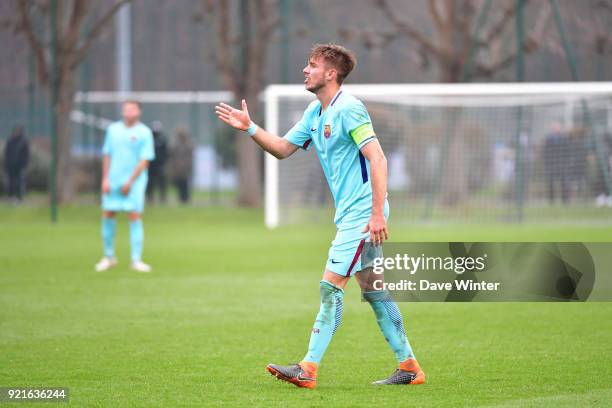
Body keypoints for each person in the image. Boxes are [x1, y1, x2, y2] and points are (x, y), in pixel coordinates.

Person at [215, 44, 424, 388]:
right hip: (353, 215)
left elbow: (378, 159)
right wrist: (251, 127)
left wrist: (376, 214)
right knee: (374, 291)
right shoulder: (316, 112)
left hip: (362, 214)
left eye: (311, 65)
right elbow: (282, 149)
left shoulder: (350, 109)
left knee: (331, 287)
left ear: (331, 73)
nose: (304, 70)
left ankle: (307, 368)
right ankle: (410, 367)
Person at [95, 100, 155, 273]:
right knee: (108, 213)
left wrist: (130, 181)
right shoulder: (113, 130)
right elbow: (107, 154)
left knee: (135, 216)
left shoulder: (144, 133)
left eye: (132, 109)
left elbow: (145, 160)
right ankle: (108, 257)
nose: (128, 112)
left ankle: (136, 260)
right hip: (113, 180)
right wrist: (105, 179)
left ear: (139, 112)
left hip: (134, 183)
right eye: (126, 109)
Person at [3, 125, 29, 202]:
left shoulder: (23, 141)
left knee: (20, 181)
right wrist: (7, 163)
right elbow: (7, 153)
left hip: (20, 166)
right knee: (11, 182)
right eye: (15, 131)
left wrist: (24, 163)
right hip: (10, 165)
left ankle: (20, 196)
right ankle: (11, 196)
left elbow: (26, 154)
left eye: (18, 131)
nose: (16, 132)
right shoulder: (10, 141)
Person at [146, 121, 168, 203]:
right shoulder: (149, 138)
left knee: (161, 182)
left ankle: (162, 198)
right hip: (151, 164)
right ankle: (149, 197)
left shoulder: (163, 138)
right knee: (150, 182)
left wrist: (163, 162)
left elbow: (165, 152)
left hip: (160, 165)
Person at [171, 126, 194, 204]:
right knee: (179, 183)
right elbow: (173, 156)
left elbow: (190, 157)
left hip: (185, 168)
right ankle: (181, 198)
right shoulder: (176, 145)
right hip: (177, 168)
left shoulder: (188, 145)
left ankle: (185, 198)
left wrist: (185, 165)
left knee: (185, 183)